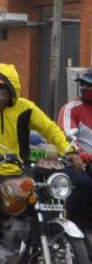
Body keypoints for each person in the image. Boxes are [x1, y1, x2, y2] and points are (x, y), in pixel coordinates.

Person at [0, 63, 79, 264]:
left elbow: (50, 129)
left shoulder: (26, 108)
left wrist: (70, 151)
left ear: (11, 89)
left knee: (46, 197)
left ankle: (41, 246)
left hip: (17, 172)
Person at [57, 69, 92, 231]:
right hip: (75, 163)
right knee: (84, 184)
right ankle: (77, 230)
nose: (85, 87)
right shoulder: (71, 108)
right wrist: (79, 154)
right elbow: (66, 135)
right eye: (83, 84)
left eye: (89, 85)